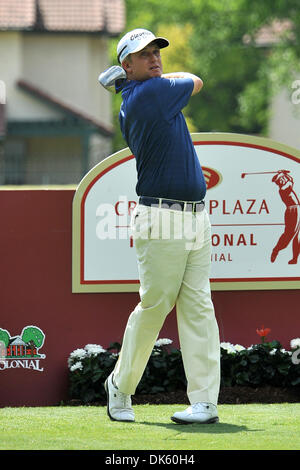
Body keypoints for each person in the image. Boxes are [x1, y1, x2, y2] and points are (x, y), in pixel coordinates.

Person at [104, 28, 220, 424]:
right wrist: (141, 80)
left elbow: (170, 81)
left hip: (195, 215)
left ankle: (204, 401)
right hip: (162, 218)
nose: (155, 58)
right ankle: (119, 385)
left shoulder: (142, 93)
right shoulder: (152, 94)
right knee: (155, 307)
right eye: (143, 54)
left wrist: (129, 78)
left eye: (157, 51)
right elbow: (198, 80)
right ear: (127, 65)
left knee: (199, 307)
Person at [271, 171, 300, 264]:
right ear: (279, 182)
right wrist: (284, 174)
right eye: (281, 179)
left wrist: (284, 173)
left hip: (297, 208)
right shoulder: (282, 189)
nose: (283, 179)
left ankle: (295, 259)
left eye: (283, 178)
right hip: (292, 211)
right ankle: (276, 249)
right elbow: (290, 182)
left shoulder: (286, 184)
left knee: (298, 236)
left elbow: (291, 180)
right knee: (289, 235)